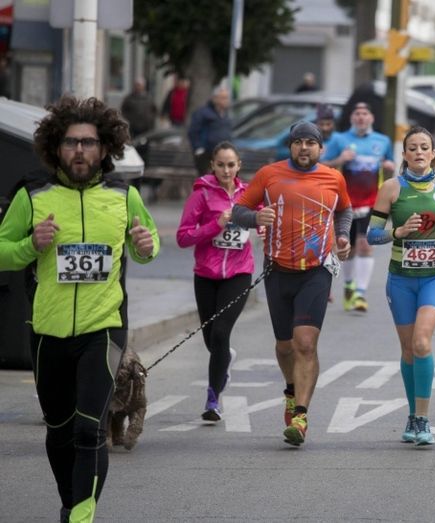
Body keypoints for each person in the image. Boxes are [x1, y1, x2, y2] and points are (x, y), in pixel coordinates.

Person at [0, 95, 159, 522]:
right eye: (71, 142)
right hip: (47, 329)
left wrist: (146, 247)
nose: (80, 151)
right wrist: (30, 245)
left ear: (105, 148)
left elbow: (146, 244)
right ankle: (71, 503)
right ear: (57, 147)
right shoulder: (32, 196)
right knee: (59, 431)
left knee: (90, 428)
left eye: (88, 143)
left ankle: (82, 515)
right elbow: (2, 251)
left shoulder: (123, 197)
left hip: (103, 327)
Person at [231, 121, 352, 446]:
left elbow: (344, 210)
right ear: (290, 146)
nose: (303, 148)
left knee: (305, 343)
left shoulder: (333, 177)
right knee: (285, 345)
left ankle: (300, 414)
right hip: (278, 269)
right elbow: (237, 210)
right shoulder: (269, 175)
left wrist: (342, 235)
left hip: (317, 270)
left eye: (310, 143)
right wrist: (256, 218)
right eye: (298, 142)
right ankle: (290, 389)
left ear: (320, 148)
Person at [366, 126, 435, 445]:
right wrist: (397, 233)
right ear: (404, 154)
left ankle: (423, 420)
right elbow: (372, 235)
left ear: (433, 153)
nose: (418, 153)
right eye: (412, 148)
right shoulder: (391, 189)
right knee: (408, 349)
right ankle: (412, 416)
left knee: (422, 342)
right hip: (400, 279)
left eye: (424, 147)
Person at [176, 142, 256, 422]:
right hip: (206, 275)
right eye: (220, 164)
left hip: (239, 273)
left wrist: (264, 224)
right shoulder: (202, 194)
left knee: (221, 334)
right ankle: (224, 360)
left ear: (239, 166)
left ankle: (212, 398)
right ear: (212, 165)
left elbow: (263, 220)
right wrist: (215, 226)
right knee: (212, 341)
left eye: (231, 164)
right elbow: (183, 237)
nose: (226, 170)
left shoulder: (249, 194)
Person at [322, 101, 395, 312]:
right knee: (348, 247)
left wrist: (389, 166)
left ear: (371, 118)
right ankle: (348, 286)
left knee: (366, 244)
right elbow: (321, 166)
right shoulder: (340, 139)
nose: (361, 117)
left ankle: (360, 294)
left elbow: (390, 164)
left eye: (365, 113)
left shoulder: (382, 141)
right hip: (346, 202)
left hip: (373, 202)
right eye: (357, 114)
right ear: (352, 118)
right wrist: (340, 159)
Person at [188, 86, 232, 175]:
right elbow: (193, 131)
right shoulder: (203, 113)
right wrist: (199, 149)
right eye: (223, 98)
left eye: (227, 98)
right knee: (207, 182)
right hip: (206, 155)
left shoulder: (225, 115)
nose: (226, 101)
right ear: (215, 99)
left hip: (222, 155)